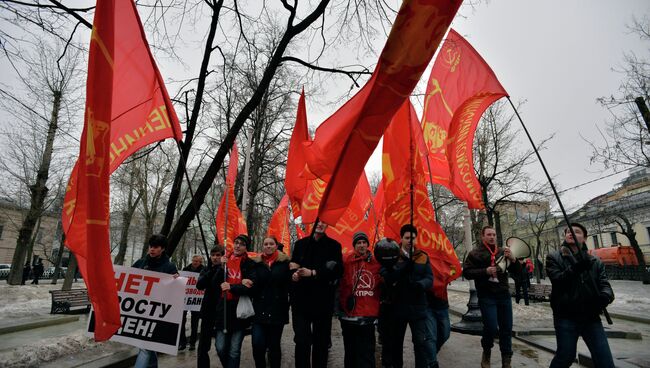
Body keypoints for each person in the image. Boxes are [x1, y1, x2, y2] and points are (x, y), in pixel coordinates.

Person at [546, 223, 615, 368]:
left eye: (576, 231)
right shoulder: (554, 257)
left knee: (605, 360)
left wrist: (605, 296)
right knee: (565, 357)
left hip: (591, 317)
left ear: (584, 238)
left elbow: (605, 284)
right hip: (566, 316)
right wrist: (576, 268)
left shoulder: (595, 261)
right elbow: (558, 281)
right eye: (568, 232)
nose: (571, 233)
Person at [463, 226, 521, 368]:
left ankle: (506, 360)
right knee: (490, 326)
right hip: (486, 295)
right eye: (489, 234)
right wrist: (485, 271)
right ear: (483, 237)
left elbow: (518, 271)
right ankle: (487, 351)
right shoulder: (474, 253)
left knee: (506, 328)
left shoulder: (503, 251)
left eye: (494, 234)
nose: (492, 237)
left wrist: (513, 259)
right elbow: (467, 272)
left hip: (503, 295)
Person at [290, 220, 343, 368]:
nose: (320, 225)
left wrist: (314, 273)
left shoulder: (334, 246)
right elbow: (293, 265)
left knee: (321, 343)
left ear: (328, 225)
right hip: (301, 302)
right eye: (317, 222)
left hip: (323, 302)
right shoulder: (300, 244)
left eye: (324, 222)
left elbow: (337, 271)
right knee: (301, 341)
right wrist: (294, 275)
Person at [379, 224, 434, 368]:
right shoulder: (392, 254)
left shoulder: (422, 256)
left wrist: (421, 284)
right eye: (407, 238)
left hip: (418, 307)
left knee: (420, 343)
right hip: (398, 307)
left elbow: (429, 278)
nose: (410, 241)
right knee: (396, 343)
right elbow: (386, 277)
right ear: (401, 238)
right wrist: (403, 268)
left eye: (413, 238)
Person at [132, 234, 179, 368]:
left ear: (162, 249)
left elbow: (174, 293)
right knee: (148, 347)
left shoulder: (169, 267)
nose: (152, 249)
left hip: (156, 313)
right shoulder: (140, 263)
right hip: (139, 311)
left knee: (145, 347)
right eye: (151, 246)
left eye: (156, 247)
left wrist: (176, 281)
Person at [338, 231, 382, 368]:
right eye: (358, 242)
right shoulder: (346, 260)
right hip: (349, 315)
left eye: (364, 242)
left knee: (367, 352)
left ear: (368, 244)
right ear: (354, 245)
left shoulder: (377, 262)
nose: (361, 245)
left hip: (368, 315)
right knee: (350, 352)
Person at [215, 234, 256, 368]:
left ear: (246, 248)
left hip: (239, 310)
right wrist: (220, 267)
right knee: (220, 347)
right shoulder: (225, 260)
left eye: (242, 244)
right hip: (224, 308)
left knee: (234, 350)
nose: (238, 245)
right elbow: (214, 283)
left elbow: (249, 287)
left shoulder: (249, 264)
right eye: (236, 242)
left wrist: (232, 287)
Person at [250, 236, 291, 368]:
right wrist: (246, 281)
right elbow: (252, 280)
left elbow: (290, 285)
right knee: (257, 344)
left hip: (277, 310)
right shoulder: (256, 263)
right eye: (266, 244)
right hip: (259, 309)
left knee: (274, 346)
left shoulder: (285, 263)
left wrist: (294, 275)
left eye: (271, 244)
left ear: (276, 246)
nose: (268, 246)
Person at [196, 246, 225, 368]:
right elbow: (200, 285)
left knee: (222, 347)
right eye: (213, 255)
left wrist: (221, 269)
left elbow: (216, 283)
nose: (215, 258)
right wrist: (213, 270)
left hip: (222, 312)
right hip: (208, 311)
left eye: (218, 255)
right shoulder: (206, 269)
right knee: (203, 347)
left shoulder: (226, 270)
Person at [425, 273, 451, 368]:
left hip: (442, 303)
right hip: (427, 304)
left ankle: (431, 353)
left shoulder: (445, 257)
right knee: (431, 336)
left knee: (445, 333)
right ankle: (432, 362)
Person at [180, 255, 205, 351]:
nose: (195, 263)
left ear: (200, 262)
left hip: (197, 300)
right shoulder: (185, 269)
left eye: (197, 261)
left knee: (194, 323)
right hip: (185, 298)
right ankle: (182, 343)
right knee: (182, 321)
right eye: (194, 261)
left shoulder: (204, 270)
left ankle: (192, 343)